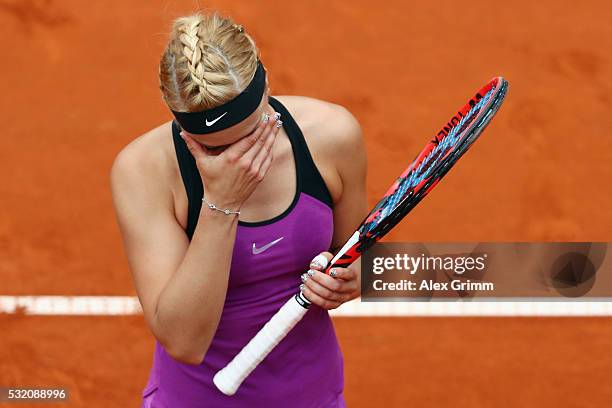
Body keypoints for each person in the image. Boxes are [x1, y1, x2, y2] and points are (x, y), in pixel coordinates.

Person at [110, 11, 367, 408]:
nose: (239, 160)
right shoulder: (143, 170)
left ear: (265, 86)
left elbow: (358, 256)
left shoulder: (333, 135)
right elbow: (184, 340)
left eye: (252, 134)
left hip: (314, 396)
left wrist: (351, 279)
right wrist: (221, 204)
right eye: (212, 148)